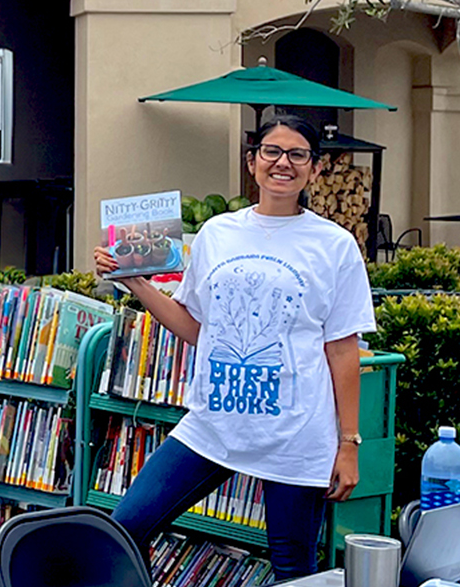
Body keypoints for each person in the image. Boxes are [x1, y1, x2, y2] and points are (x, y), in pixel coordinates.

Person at [92, 113, 374, 581]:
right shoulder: (217, 233)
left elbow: (343, 350)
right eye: (272, 152)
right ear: (252, 161)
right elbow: (198, 327)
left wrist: (348, 445)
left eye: (298, 154)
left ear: (316, 169)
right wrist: (136, 281)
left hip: (296, 435)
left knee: (293, 569)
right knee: (126, 527)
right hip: (212, 425)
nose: (283, 163)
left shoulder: (336, 246)